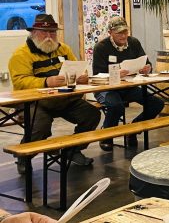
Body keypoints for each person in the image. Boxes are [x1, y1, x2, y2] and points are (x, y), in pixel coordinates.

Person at [8, 14, 100, 174]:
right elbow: (19, 81)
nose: (49, 36)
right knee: (40, 125)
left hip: (62, 97)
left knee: (92, 115)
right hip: (34, 101)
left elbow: (76, 66)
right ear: (34, 32)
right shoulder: (20, 54)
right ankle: (24, 157)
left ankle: (74, 150)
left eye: (52, 32)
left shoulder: (63, 49)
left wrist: (81, 76)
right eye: (45, 32)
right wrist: (45, 82)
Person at [93, 16, 164, 151]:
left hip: (128, 86)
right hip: (106, 88)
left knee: (157, 103)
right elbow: (97, 75)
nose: (123, 35)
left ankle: (133, 130)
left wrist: (147, 68)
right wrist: (115, 74)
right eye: (119, 33)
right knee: (116, 106)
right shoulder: (101, 48)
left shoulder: (134, 42)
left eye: (125, 32)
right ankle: (106, 135)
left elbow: (146, 62)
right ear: (110, 33)